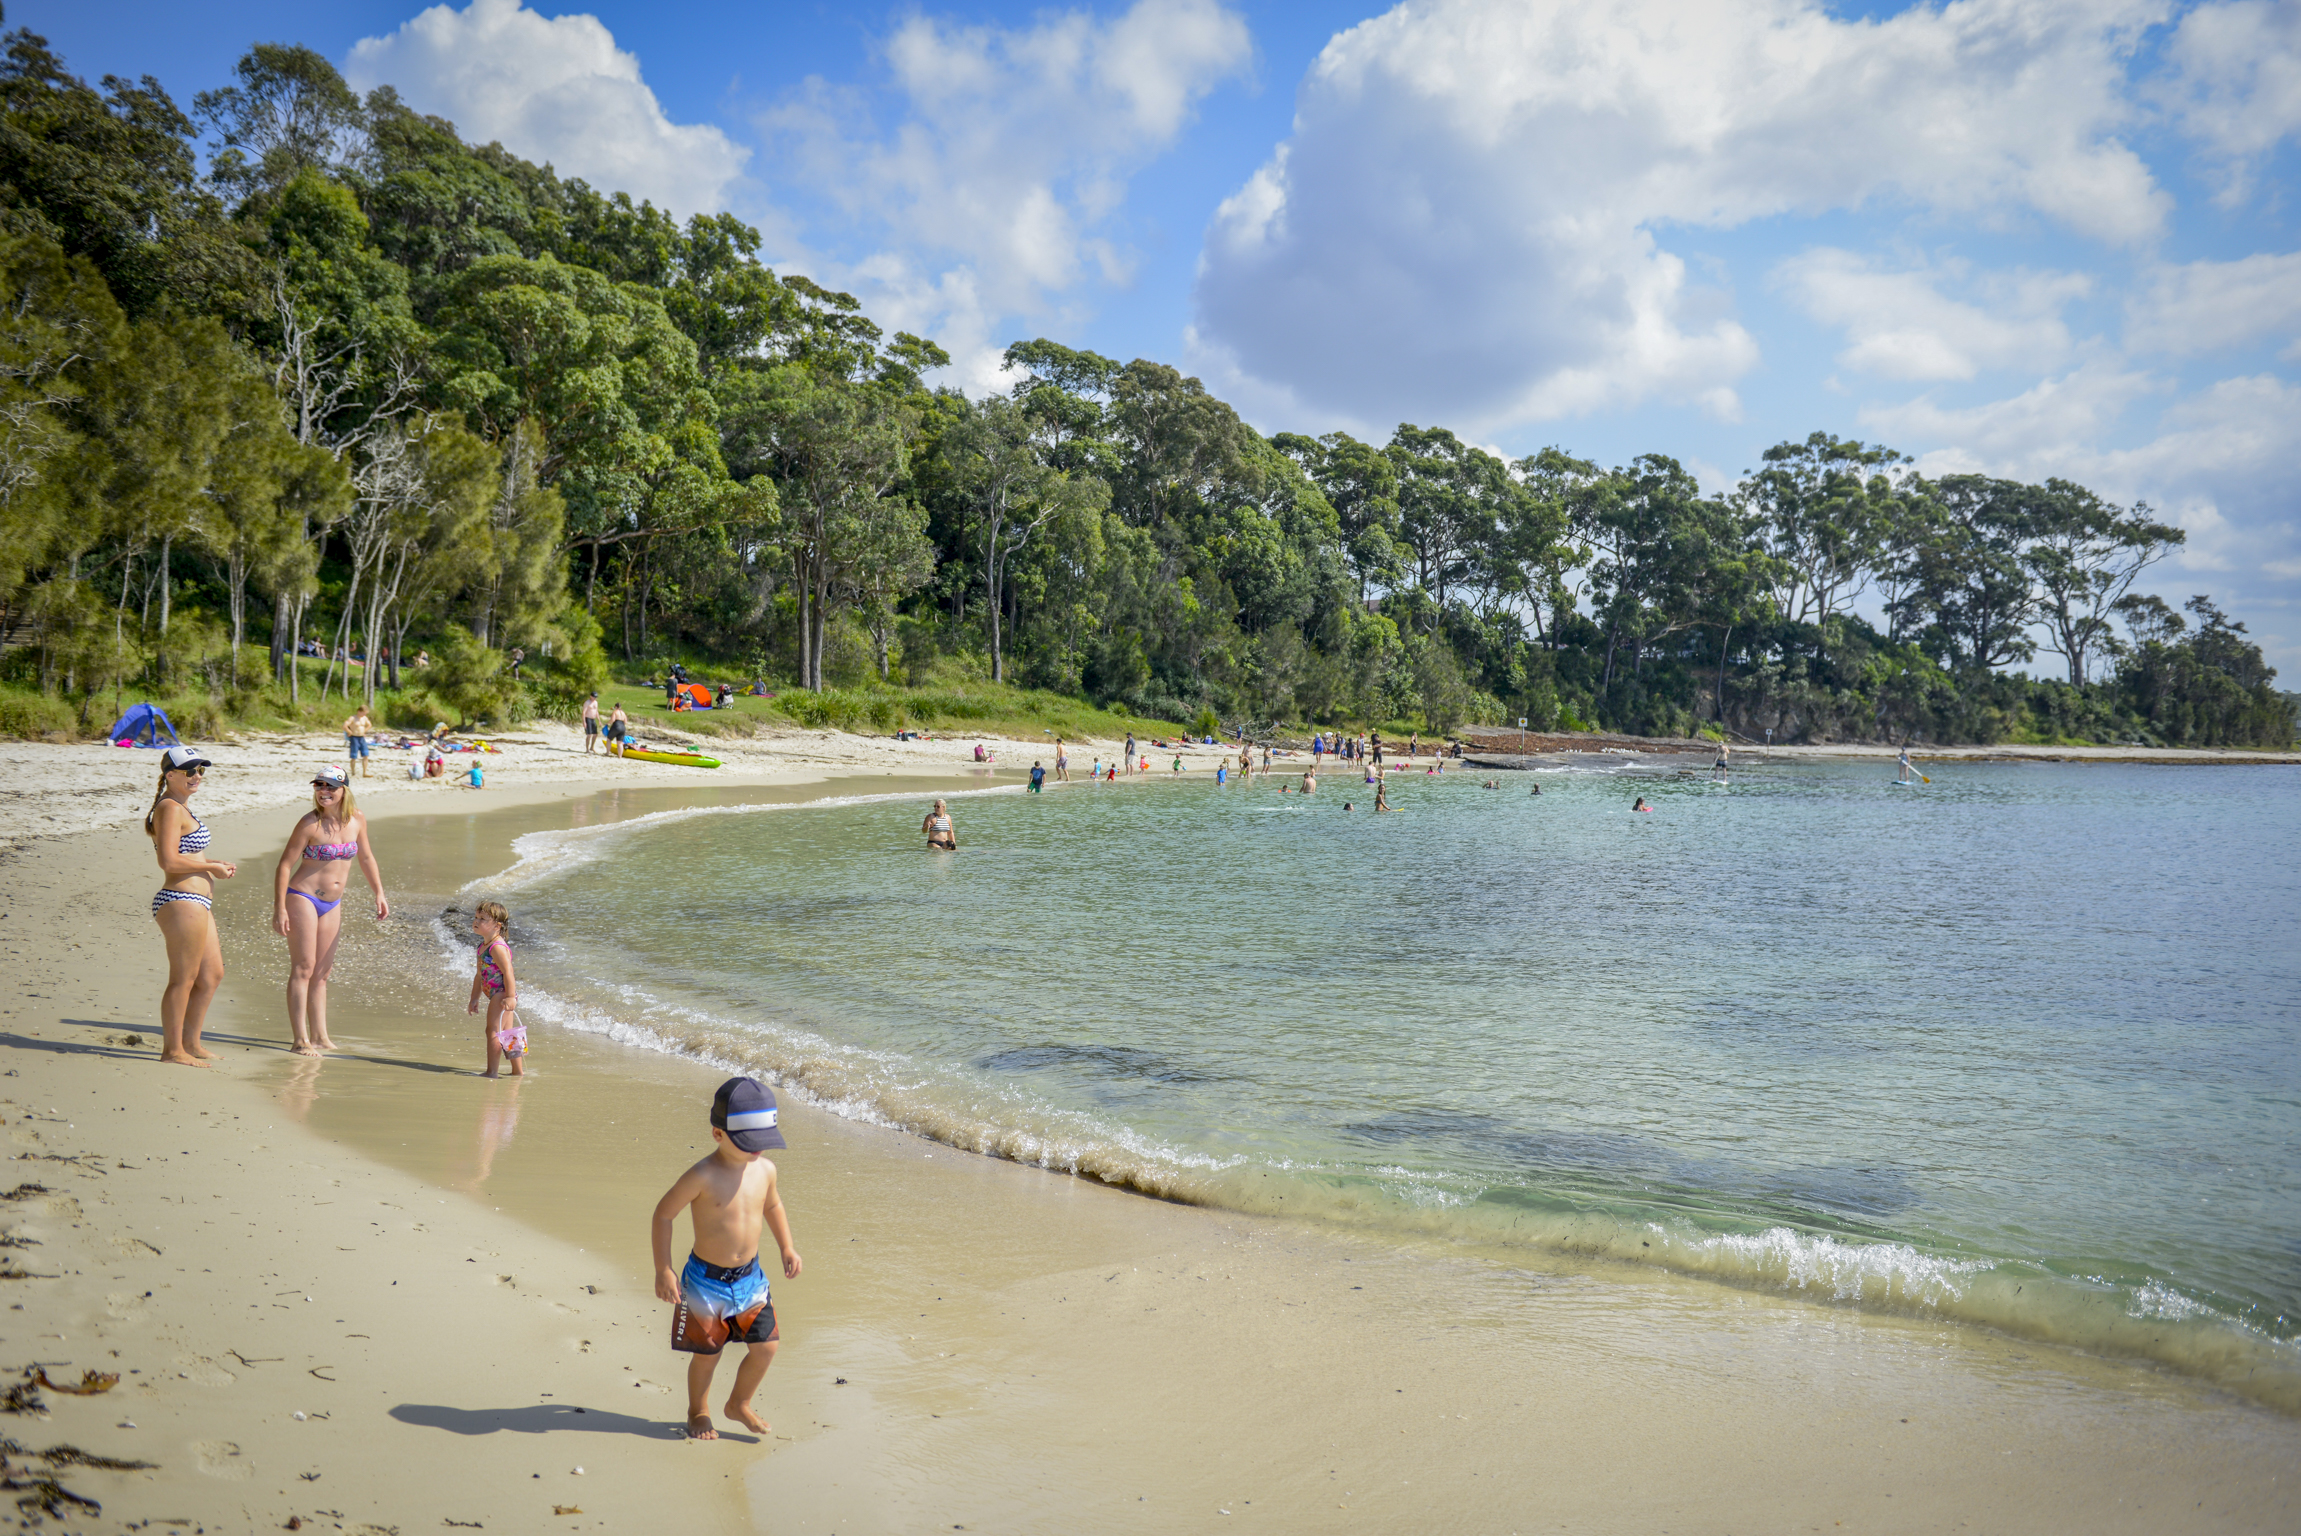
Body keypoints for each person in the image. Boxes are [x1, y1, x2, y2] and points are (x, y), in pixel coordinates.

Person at [651, 1077, 801, 1441]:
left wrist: (786, 1246)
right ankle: (698, 1410)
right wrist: (663, 1270)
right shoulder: (702, 1175)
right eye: (749, 1143)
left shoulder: (765, 1170)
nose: (758, 1151)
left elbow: (773, 1205)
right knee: (707, 1356)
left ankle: (738, 1403)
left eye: (764, 1143)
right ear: (718, 1134)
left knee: (766, 1347)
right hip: (705, 1282)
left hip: (750, 1279)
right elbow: (663, 1215)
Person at [272, 764, 388, 1057]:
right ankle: (300, 1039)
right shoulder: (309, 823)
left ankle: (321, 1037)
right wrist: (280, 908)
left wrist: (379, 893)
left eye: (330, 786)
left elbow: (367, 857)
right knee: (304, 968)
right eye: (319, 786)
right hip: (303, 897)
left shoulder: (357, 819)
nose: (323, 791)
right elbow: (285, 865)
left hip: (333, 903)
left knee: (322, 973)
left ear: (343, 790)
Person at [147, 746, 235, 1067]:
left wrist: (213, 862)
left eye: (200, 770)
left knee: (211, 975)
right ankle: (172, 1051)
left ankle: (191, 1042)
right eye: (189, 771)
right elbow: (167, 860)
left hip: (197, 902)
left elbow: (189, 855)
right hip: (180, 900)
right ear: (170, 775)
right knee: (183, 978)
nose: (196, 776)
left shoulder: (182, 807)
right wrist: (210, 869)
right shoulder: (169, 807)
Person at [466, 900, 523, 1078]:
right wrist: (474, 998)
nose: (476, 921)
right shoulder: (483, 946)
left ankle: (492, 1072)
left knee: (492, 1030)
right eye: (476, 917)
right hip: (497, 994)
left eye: (482, 919)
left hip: (502, 994)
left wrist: (511, 996)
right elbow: (479, 975)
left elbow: (508, 972)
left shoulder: (497, 947)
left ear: (497, 926)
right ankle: (517, 1071)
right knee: (508, 1033)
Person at [343, 705, 374, 778]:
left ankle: (365, 772)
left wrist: (364, 731)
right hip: (354, 737)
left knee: (365, 755)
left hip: (361, 737)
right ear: (359, 711)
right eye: (363, 713)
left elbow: (369, 725)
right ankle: (353, 772)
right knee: (354, 756)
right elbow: (345, 725)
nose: (364, 714)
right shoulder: (353, 718)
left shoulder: (364, 718)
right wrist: (349, 731)